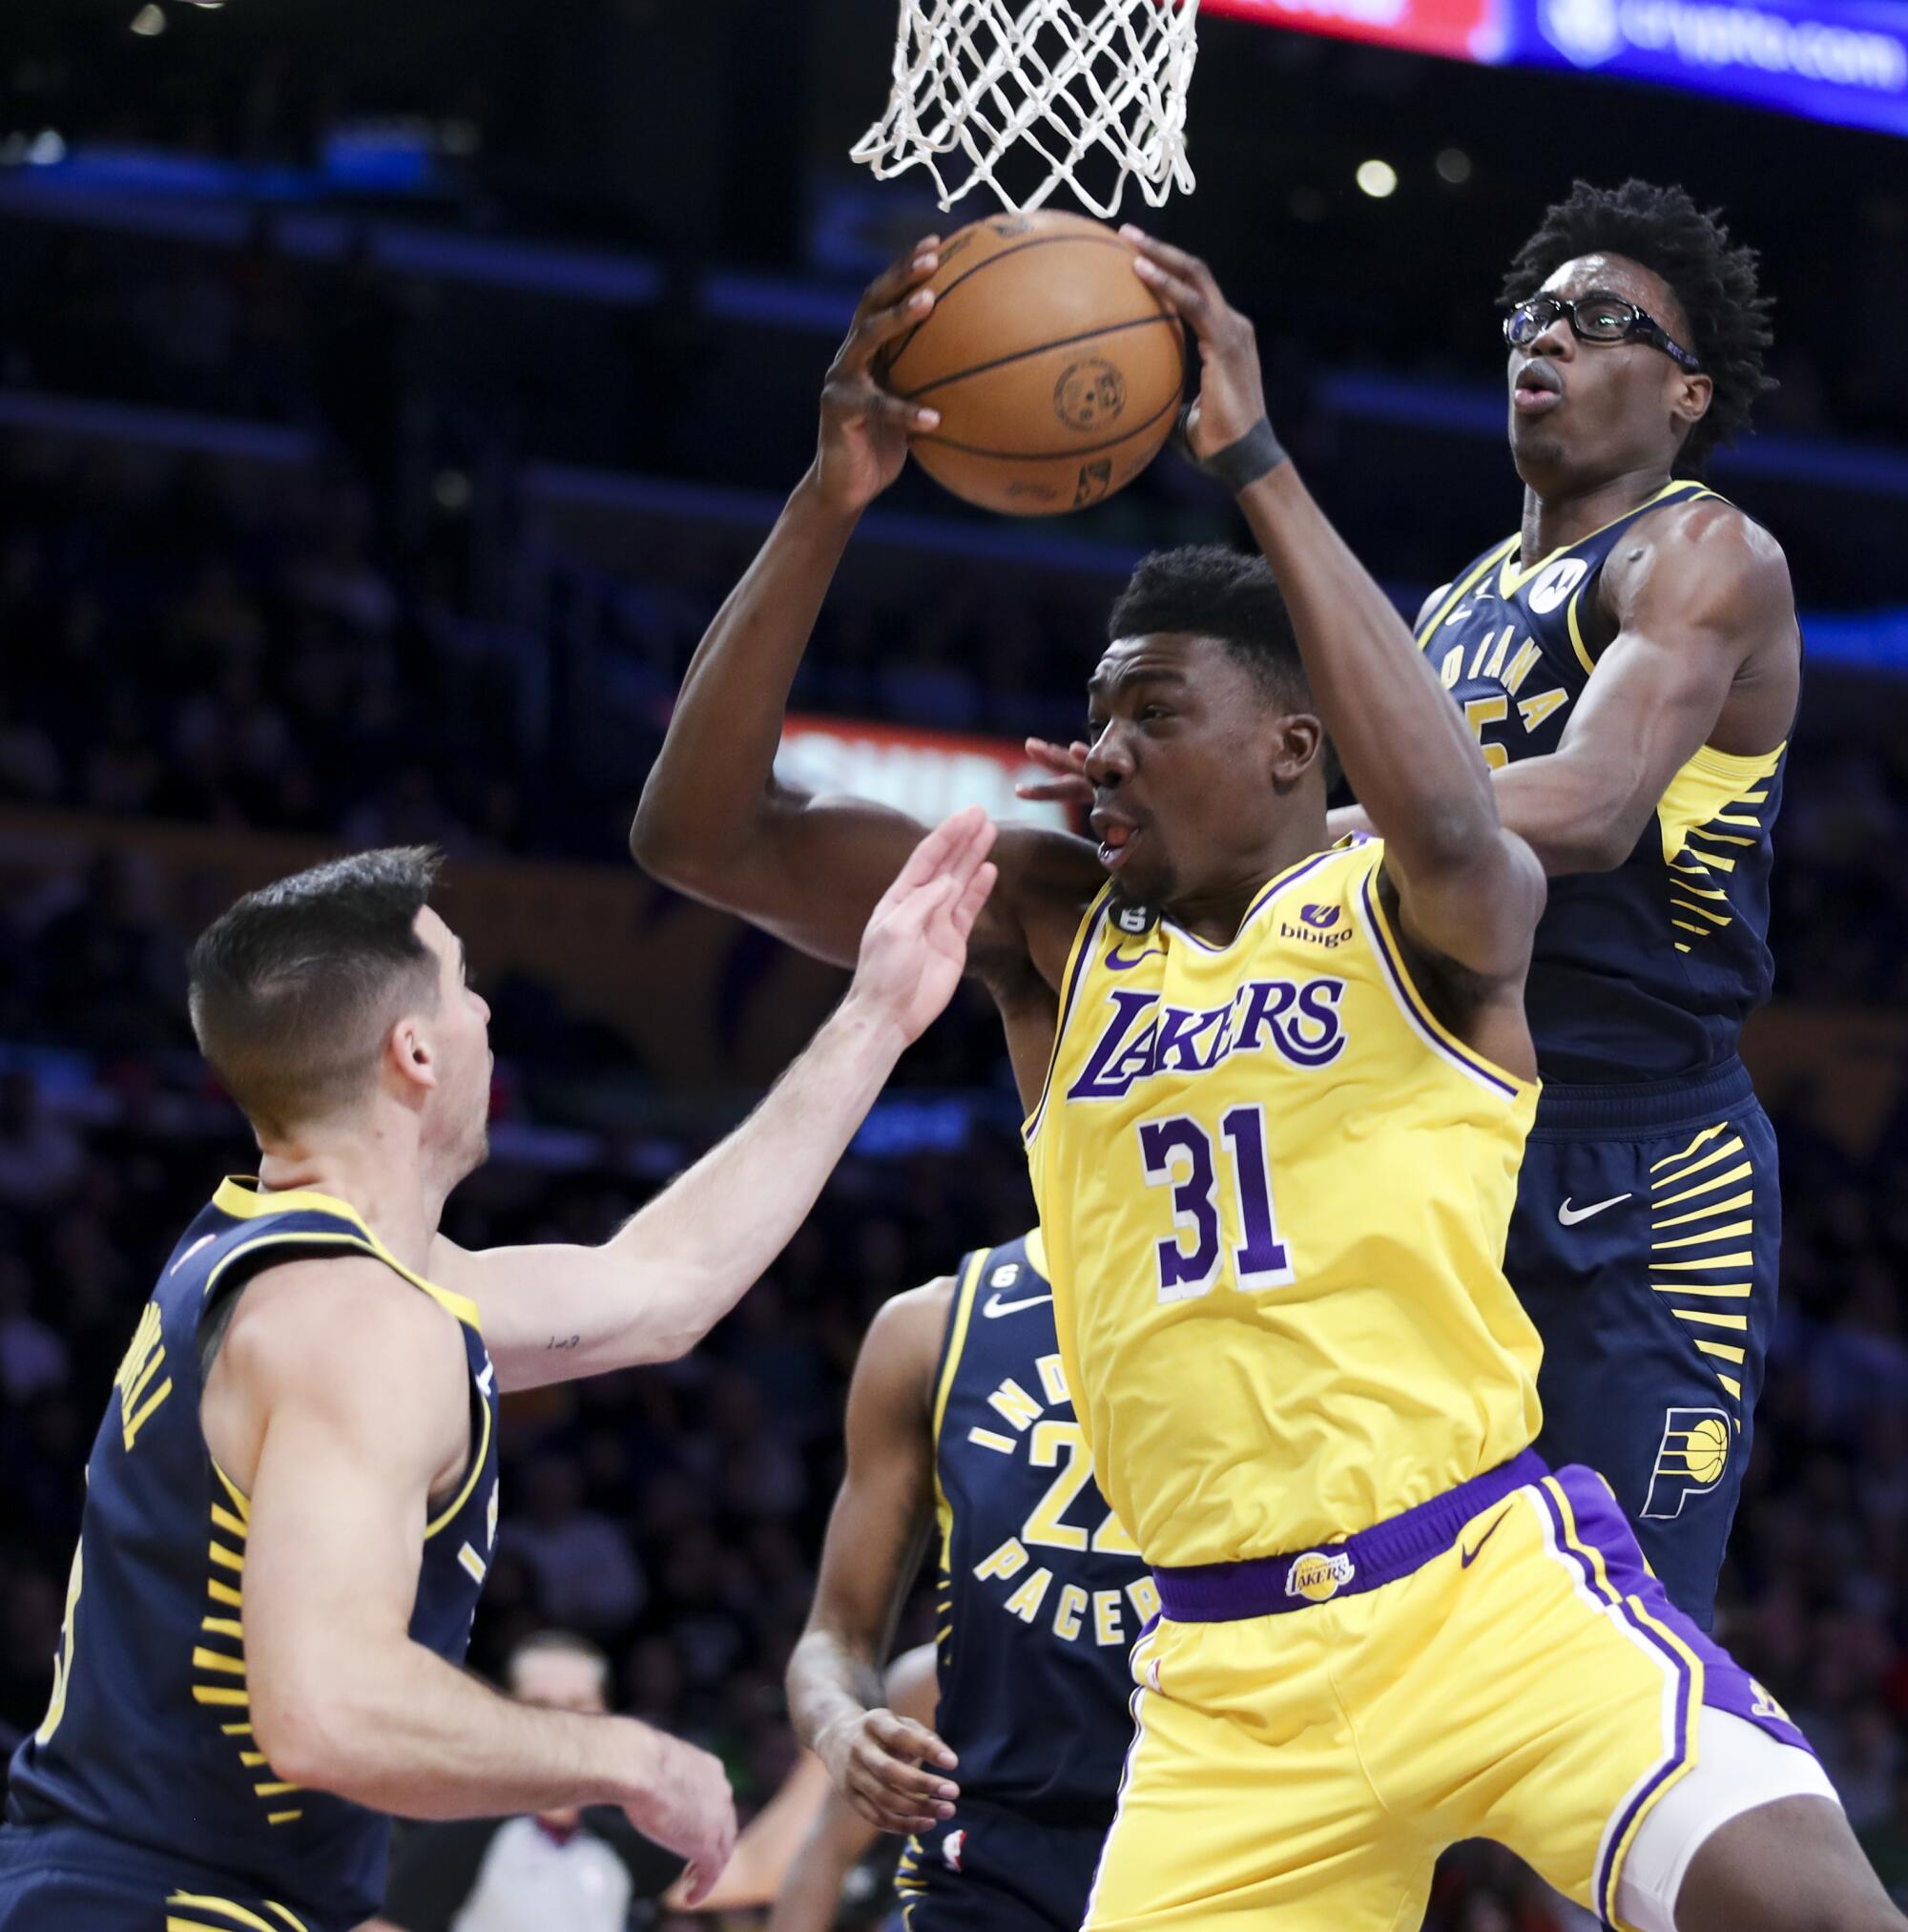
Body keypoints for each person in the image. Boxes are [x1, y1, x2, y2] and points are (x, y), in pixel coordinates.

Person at [632, 233, 1892, 1927]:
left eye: (1151, 710)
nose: (1104, 750)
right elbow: (699, 837)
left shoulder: (1425, 886)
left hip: (1499, 1542)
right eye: (1099, 717)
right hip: (1231, 1680)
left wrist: (1252, 460)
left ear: (1302, 754)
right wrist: (829, 495)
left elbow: (1531, 820)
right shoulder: (1057, 924)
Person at [0, 822, 998, 1932]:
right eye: (464, 986)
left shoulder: (300, 1265)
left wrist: (878, 1014)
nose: (485, 1013)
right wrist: (620, 1755)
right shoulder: (355, 1322)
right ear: (414, 1052)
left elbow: (660, 1287)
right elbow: (330, 1710)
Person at [1043, 179, 1796, 1628]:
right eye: (1537, 314)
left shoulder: (1703, 555)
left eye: (1601, 322)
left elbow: (1586, 806)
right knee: (1401, 1645)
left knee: (1632, 1666)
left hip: (1642, 1167)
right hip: (1449, 1146)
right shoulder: (1452, 609)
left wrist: (1294, 832)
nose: (1551, 339)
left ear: (1684, 392)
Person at [786, 1232, 1148, 1930]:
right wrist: (840, 1728)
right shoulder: (931, 1327)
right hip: (991, 1855)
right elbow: (833, 1635)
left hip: (1210, 1830)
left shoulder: (1273, 1314)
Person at [364, 1631, 684, 1932]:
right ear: (507, 1711)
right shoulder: (463, 1829)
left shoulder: (618, 1839)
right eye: (540, 1705)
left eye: (577, 1704)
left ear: (605, 1716)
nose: (561, 1720)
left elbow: (720, 1877)